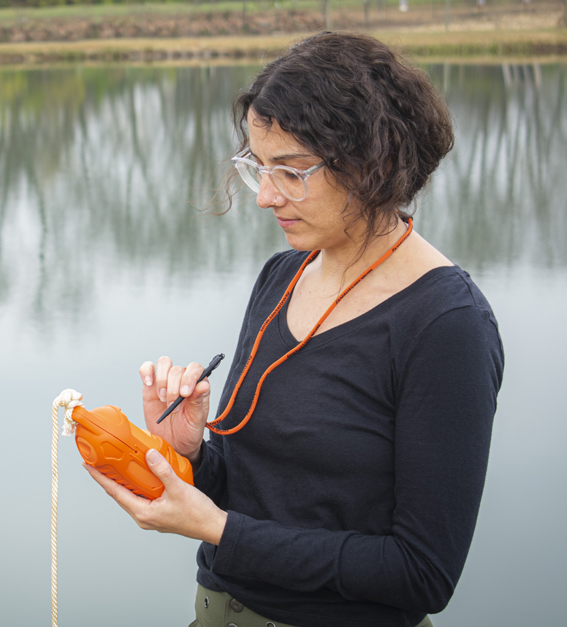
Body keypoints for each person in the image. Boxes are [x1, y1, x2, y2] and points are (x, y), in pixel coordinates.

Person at [85, 32, 504, 627]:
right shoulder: (283, 275)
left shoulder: (447, 325)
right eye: (259, 168)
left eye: (291, 172)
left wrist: (218, 530)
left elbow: (421, 572)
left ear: (372, 162)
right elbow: (259, 490)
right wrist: (191, 453)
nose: (266, 197)